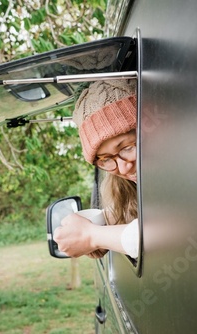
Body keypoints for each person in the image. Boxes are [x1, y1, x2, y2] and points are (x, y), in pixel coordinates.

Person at [54, 79, 139, 259]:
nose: (124, 169)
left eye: (127, 148)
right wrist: (104, 229)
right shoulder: (126, 191)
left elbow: (172, 233)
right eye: (106, 159)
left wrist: (92, 235)